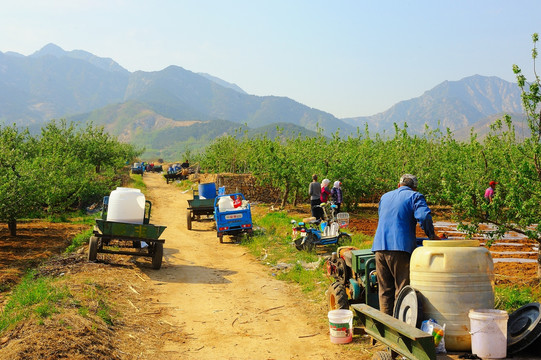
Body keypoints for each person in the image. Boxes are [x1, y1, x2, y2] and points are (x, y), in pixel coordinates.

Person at [371, 174, 441, 316]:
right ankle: (399, 328)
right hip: (400, 248)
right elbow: (424, 217)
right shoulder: (415, 197)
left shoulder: (385, 197)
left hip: (379, 247)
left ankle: (386, 327)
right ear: (414, 188)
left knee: (384, 290)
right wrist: (431, 235)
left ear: (399, 185)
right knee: (402, 290)